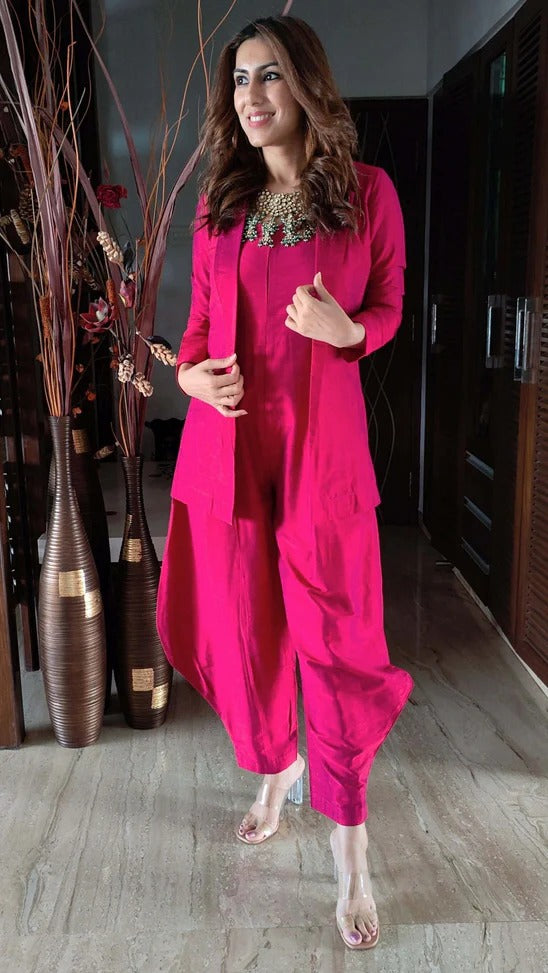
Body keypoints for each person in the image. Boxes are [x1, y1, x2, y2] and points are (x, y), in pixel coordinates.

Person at [157, 14, 414, 951]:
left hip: (321, 456)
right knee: (247, 630)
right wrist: (189, 380)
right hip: (228, 453)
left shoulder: (367, 194)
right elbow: (195, 334)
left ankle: (352, 855)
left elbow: (387, 307)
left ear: (306, 84)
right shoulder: (220, 208)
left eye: (269, 75)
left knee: (338, 646)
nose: (251, 96)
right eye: (239, 80)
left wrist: (349, 331)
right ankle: (276, 769)